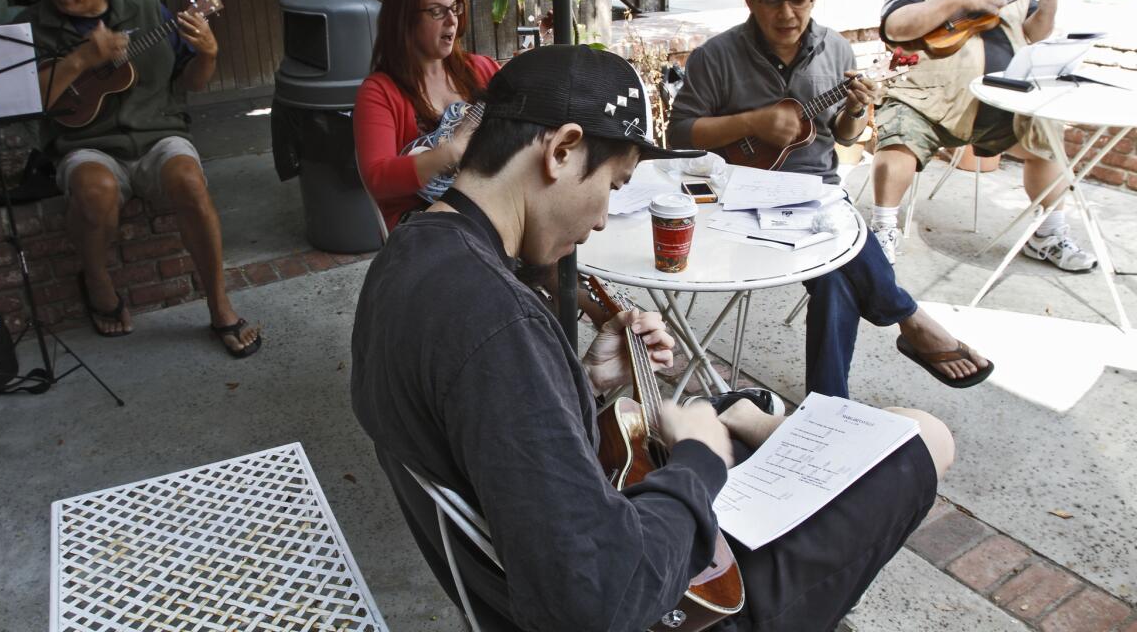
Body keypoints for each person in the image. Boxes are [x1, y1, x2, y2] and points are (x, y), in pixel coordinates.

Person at [351, 44, 955, 631]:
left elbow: (489, 418)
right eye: (613, 187)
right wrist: (699, 461)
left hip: (522, 568)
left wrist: (581, 382)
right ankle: (748, 431)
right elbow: (600, 600)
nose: (598, 222)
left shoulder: (409, 255)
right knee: (922, 435)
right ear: (562, 150)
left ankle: (750, 423)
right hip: (678, 604)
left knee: (726, 415)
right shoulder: (498, 325)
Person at [667, 0, 992, 396]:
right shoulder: (715, 56)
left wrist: (858, 110)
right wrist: (751, 122)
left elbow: (842, 135)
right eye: (772, 1)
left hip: (813, 193)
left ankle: (830, 400)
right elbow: (677, 135)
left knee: (836, 270)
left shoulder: (837, 50)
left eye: (799, 0)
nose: (787, 14)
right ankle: (910, 322)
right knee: (838, 251)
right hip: (735, 200)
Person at [21, 0, 260, 358]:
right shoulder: (30, 26)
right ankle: (97, 282)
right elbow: (25, 101)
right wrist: (80, 60)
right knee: (96, 190)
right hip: (83, 143)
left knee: (189, 180)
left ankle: (219, 304)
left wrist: (207, 52)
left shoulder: (148, 11)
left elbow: (194, 81)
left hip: (156, 133)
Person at [869, 0, 1093, 271]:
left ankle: (1048, 234)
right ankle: (882, 232)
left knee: (1047, 134)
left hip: (1000, 106)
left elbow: (1033, 34)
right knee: (899, 135)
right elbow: (896, 27)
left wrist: (1049, 5)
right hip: (929, 104)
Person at [353, 0, 500, 231]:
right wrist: (449, 153)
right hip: (422, 224)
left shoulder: (480, 68)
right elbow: (377, 178)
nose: (452, 20)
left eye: (455, 8)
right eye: (437, 12)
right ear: (405, 20)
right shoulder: (378, 93)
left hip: (486, 204)